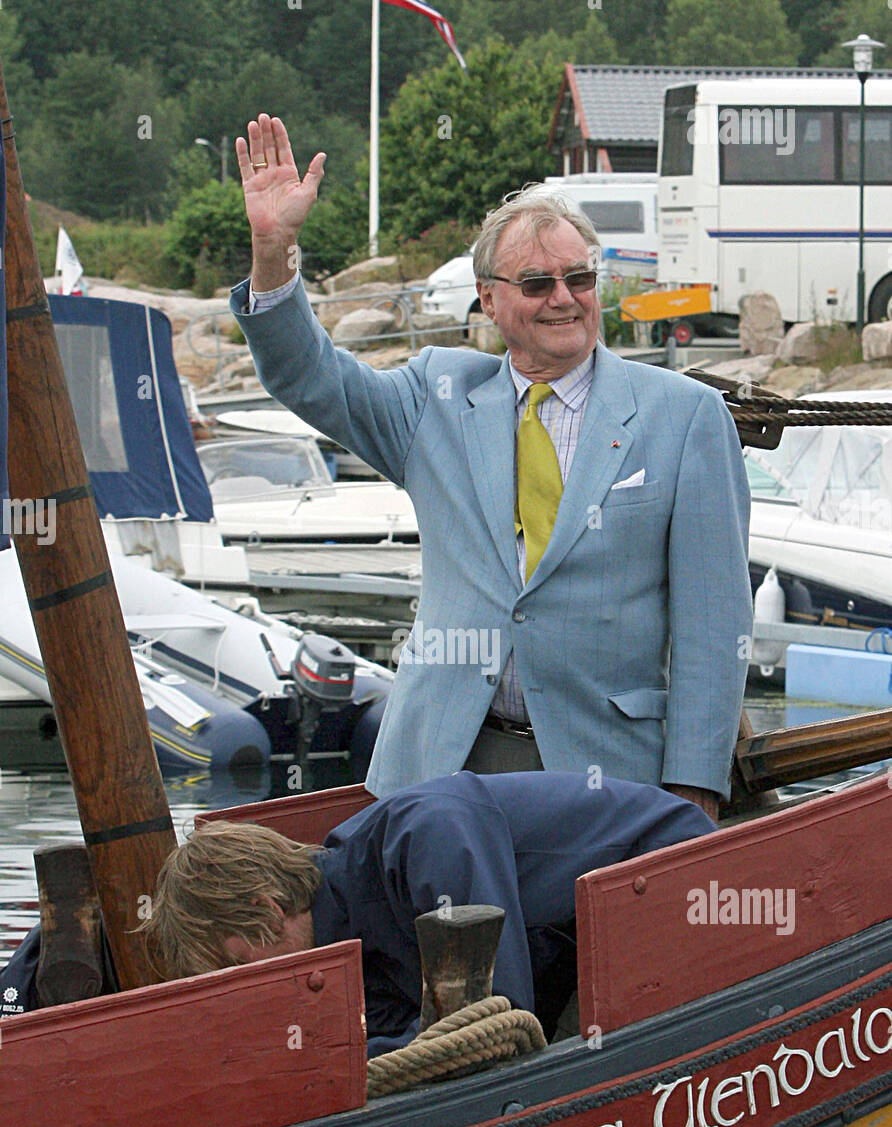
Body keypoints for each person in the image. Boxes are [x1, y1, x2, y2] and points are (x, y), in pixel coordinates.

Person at [230, 116, 752, 821]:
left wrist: (693, 792)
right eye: (538, 283)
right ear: (488, 296)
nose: (564, 298)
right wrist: (275, 248)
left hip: (607, 775)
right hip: (438, 763)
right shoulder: (434, 398)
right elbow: (309, 376)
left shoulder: (685, 417)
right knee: (436, 934)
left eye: (580, 277)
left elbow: (713, 631)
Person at [0, 771, 713, 1052]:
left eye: (233, 964)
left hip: (672, 891)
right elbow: (406, 1044)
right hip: (578, 950)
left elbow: (498, 1024)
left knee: (562, 1069)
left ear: (266, 908)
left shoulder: (420, 837)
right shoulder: (349, 949)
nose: (249, 988)